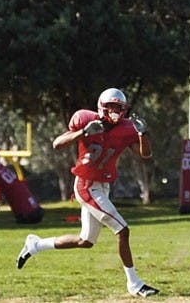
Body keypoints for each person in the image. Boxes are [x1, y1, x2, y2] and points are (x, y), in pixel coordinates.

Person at [16, 88, 159, 298]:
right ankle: (134, 284)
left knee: (86, 241)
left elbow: (145, 154)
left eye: (119, 107)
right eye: (111, 107)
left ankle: (35, 245)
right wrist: (83, 132)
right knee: (122, 230)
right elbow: (57, 144)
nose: (115, 111)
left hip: (102, 186)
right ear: (102, 106)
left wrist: (142, 134)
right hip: (85, 184)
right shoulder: (85, 119)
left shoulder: (126, 128)